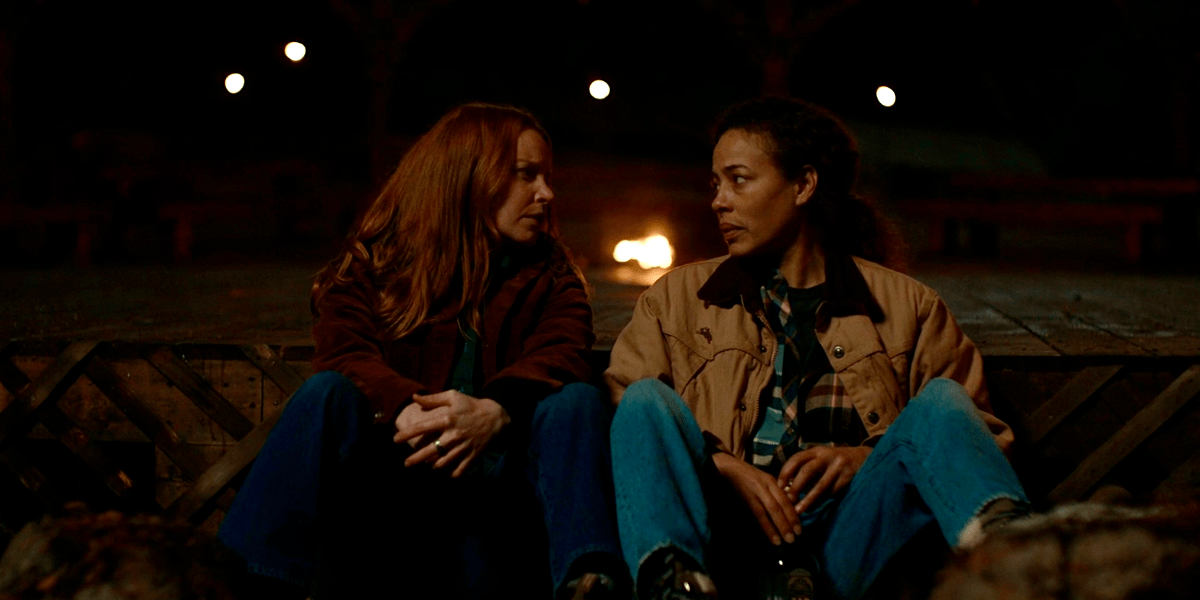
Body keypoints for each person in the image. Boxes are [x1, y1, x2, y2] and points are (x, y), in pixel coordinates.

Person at [604, 97, 1030, 600]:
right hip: (725, 540)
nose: (719, 201)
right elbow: (629, 417)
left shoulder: (907, 306)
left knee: (942, 401)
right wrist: (722, 465)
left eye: (738, 180)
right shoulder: (675, 300)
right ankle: (676, 584)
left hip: (851, 541)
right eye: (715, 184)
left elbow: (980, 440)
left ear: (803, 185)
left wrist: (863, 458)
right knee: (644, 398)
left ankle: (1016, 568)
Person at [218, 103, 628, 599]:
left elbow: (564, 351)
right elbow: (344, 351)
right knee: (325, 393)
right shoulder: (377, 262)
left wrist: (495, 411)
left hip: (498, 499)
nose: (547, 193)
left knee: (576, 400)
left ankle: (589, 581)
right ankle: (242, 583)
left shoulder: (553, 274)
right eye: (526, 175)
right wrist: (405, 408)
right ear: (470, 177)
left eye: (547, 177)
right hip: (395, 490)